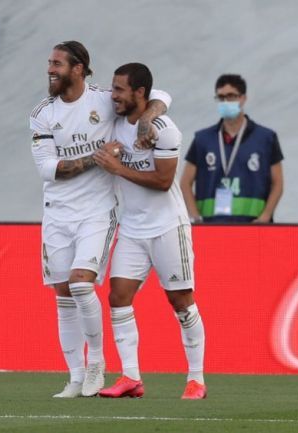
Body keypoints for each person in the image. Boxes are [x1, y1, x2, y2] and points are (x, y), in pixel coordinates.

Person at [29, 41, 171, 398]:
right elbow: (48, 169)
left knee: (81, 284)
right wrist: (97, 158)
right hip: (57, 214)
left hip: (96, 212)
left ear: (79, 68)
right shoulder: (42, 113)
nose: (50, 69)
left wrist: (149, 119)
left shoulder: (103, 101)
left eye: (57, 64)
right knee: (63, 295)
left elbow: (161, 95)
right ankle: (75, 377)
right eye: (49, 63)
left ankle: (96, 364)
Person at [93, 63, 207, 400]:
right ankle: (130, 376)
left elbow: (162, 182)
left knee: (180, 301)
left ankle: (196, 379)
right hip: (132, 229)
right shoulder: (119, 118)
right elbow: (162, 95)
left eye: (119, 90)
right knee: (118, 296)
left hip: (168, 227)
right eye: (112, 89)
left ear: (139, 94)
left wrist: (118, 167)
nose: (113, 96)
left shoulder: (164, 129)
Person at [180, 74, 284, 223]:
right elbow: (185, 183)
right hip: (212, 226)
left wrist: (265, 216)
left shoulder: (266, 138)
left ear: (243, 98)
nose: (225, 101)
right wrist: (195, 218)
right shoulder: (202, 139)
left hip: (253, 226)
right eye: (221, 97)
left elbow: (278, 183)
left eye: (231, 96)